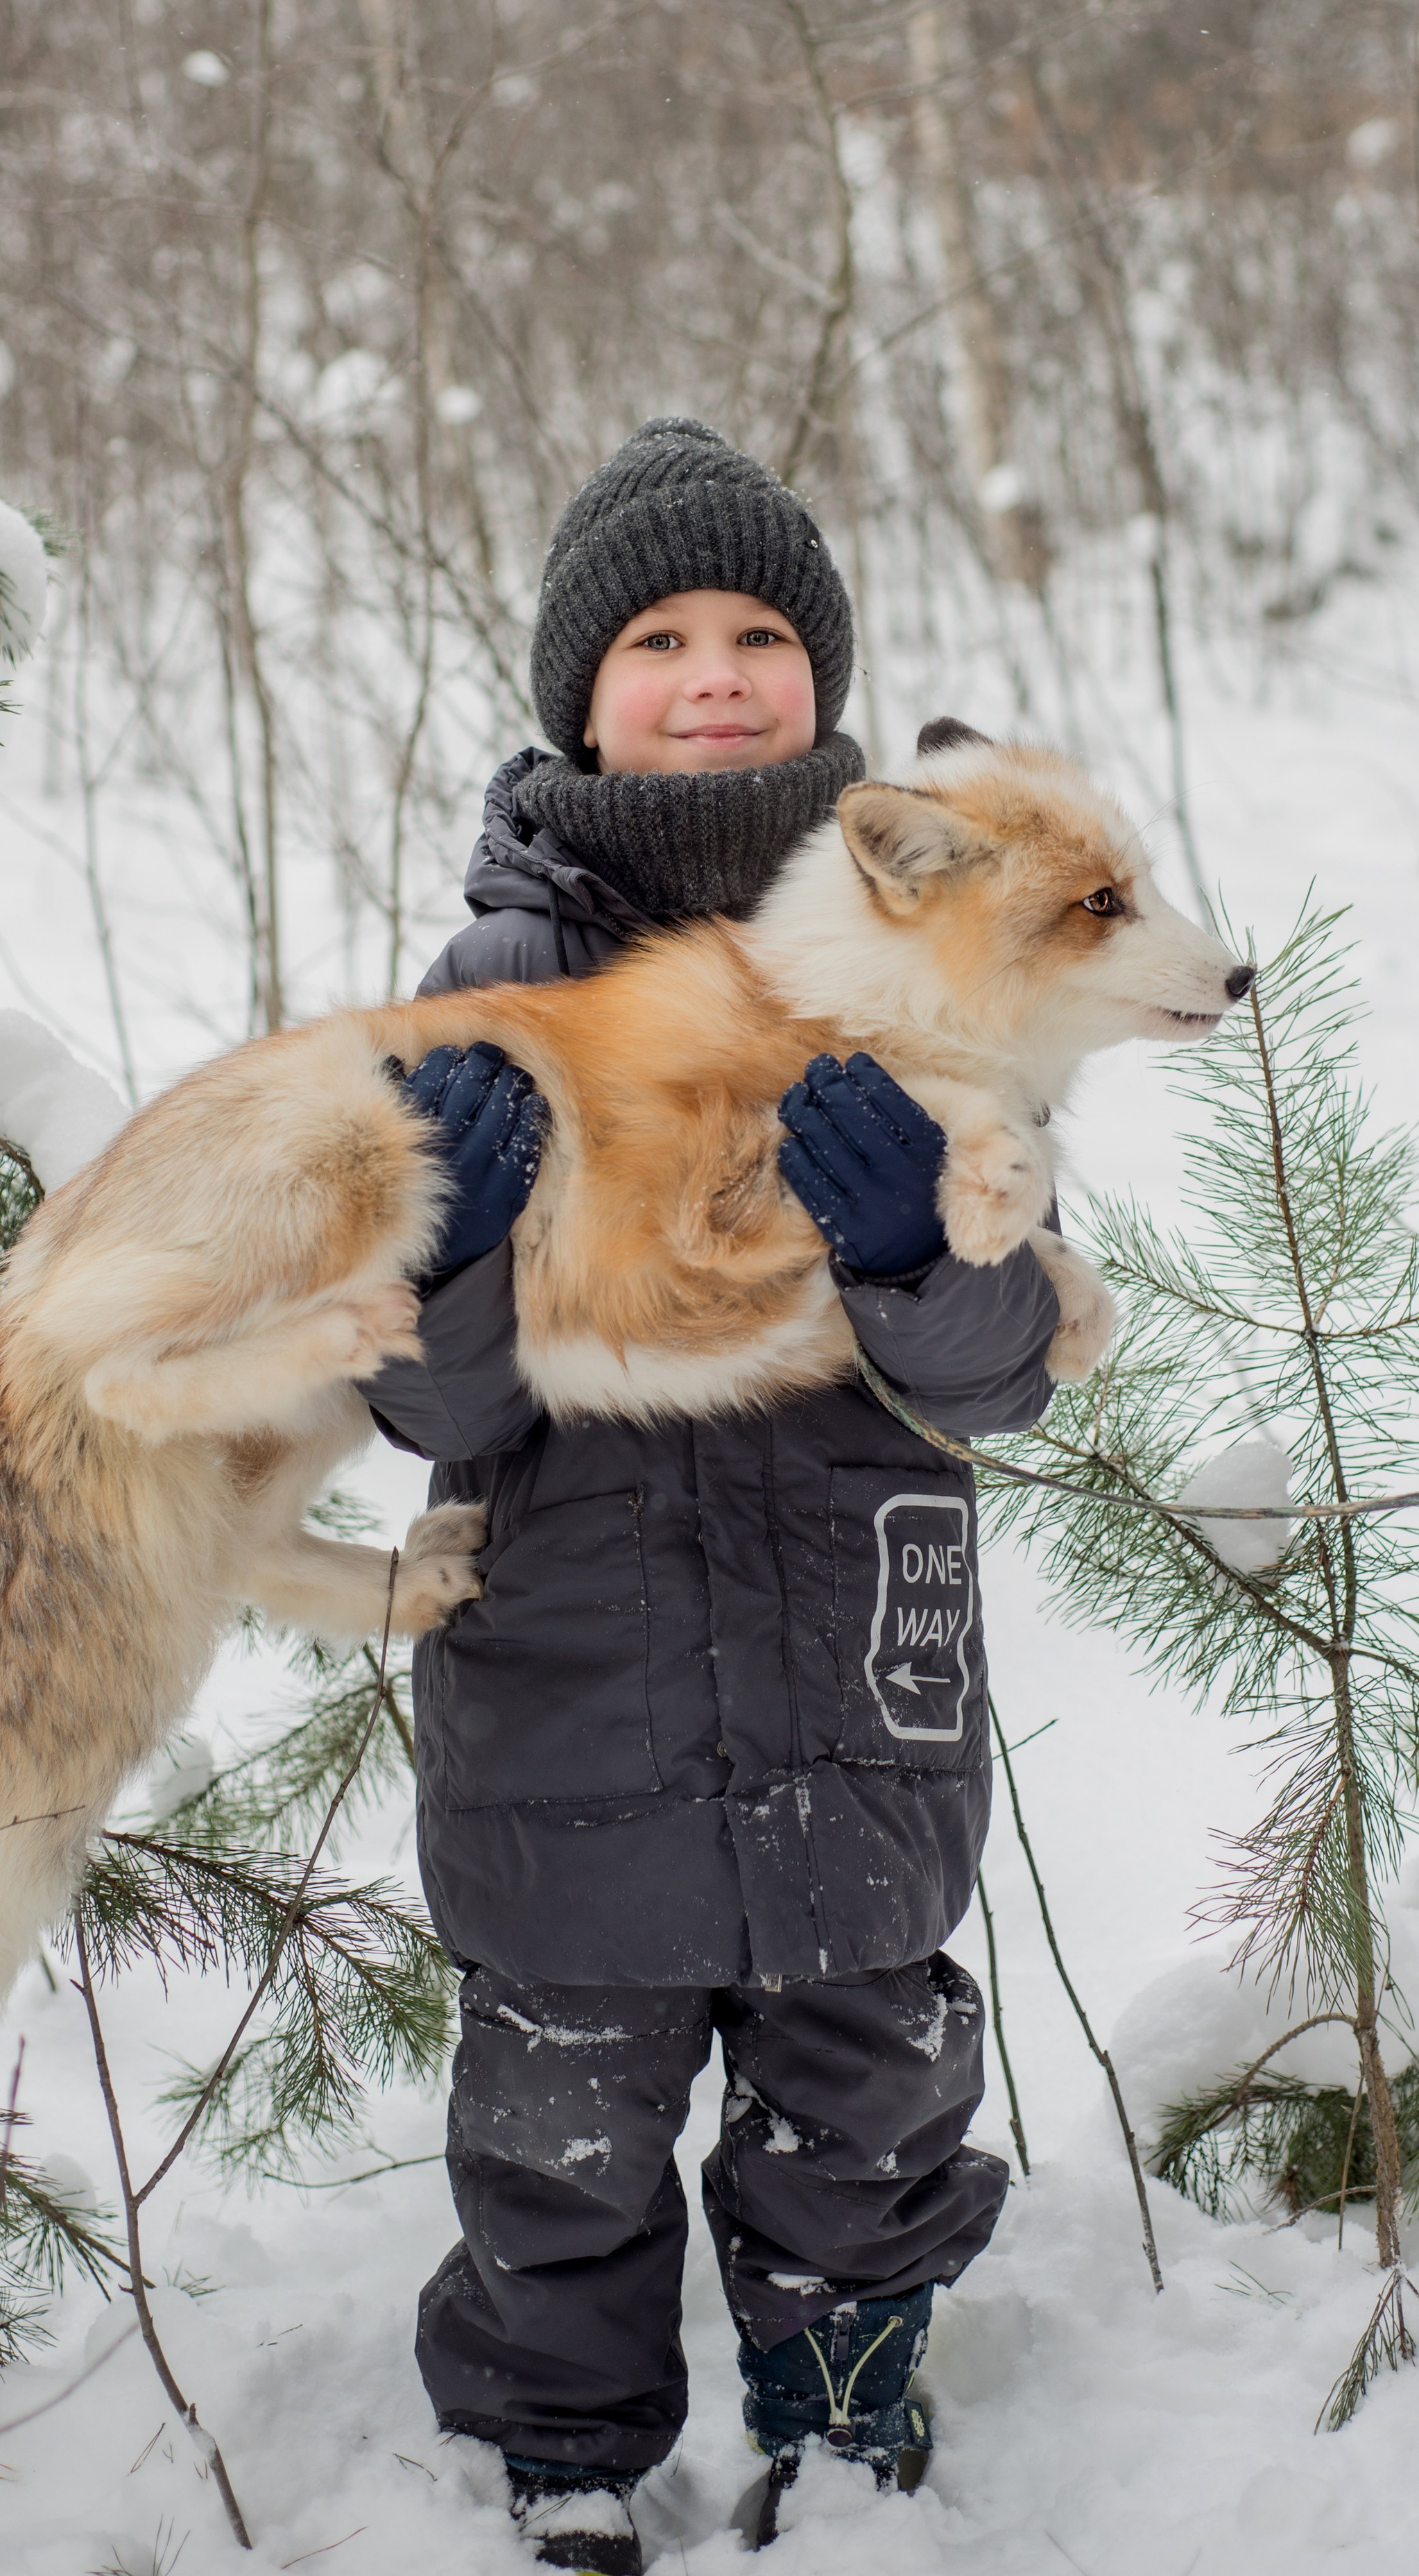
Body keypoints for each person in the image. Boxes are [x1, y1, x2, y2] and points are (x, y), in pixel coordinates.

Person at [363, 419, 1060, 2571]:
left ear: (822, 679)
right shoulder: (486, 997)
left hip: (865, 1670)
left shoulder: (930, 969)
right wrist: (445, 1250)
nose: (716, 672)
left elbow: (1007, 1370)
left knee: (868, 2083)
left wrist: (919, 1259)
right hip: (575, 1696)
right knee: (556, 2133)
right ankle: (559, 2457)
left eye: (762, 630)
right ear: (584, 693)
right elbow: (420, 1408)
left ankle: (846, 2391)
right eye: (660, 636)